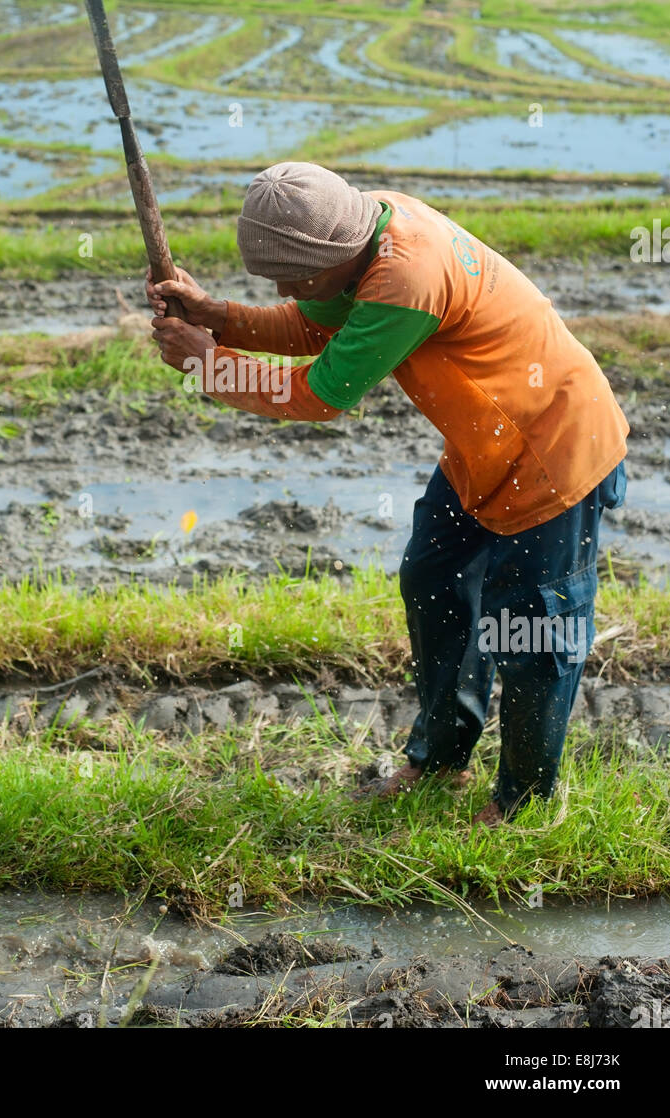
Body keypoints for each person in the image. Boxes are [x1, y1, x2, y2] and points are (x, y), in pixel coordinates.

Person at [146, 161, 628, 825]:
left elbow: (320, 394)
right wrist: (219, 318)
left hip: (551, 451)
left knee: (531, 633)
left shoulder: (407, 276)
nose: (285, 288)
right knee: (433, 584)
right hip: (480, 449)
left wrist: (206, 361)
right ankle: (439, 761)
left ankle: (523, 805)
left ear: (334, 252)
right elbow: (316, 323)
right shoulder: (363, 224)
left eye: (293, 274)